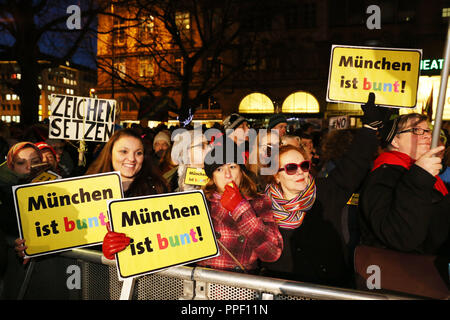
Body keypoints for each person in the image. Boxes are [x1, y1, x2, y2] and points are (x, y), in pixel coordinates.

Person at [262, 93, 391, 287]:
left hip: (327, 288)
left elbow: (352, 166)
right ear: (276, 175)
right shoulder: (261, 207)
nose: (300, 173)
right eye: (291, 168)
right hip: (281, 290)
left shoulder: (324, 192)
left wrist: (369, 128)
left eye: (303, 166)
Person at [358, 113, 450, 256]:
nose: (427, 136)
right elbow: (400, 235)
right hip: (405, 270)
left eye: (427, 131)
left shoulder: (428, 176)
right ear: (395, 140)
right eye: (416, 130)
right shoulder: (383, 175)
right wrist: (419, 178)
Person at [196, 137, 283, 273]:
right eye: (219, 169)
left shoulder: (259, 202)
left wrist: (240, 208)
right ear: (212, 177)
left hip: (241, 287)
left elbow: (272, 253)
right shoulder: (200, 203)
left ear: (241, 172)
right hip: (207, 285)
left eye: (232, 167)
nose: (228, 175)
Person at [85, 128, 168, 198]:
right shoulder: (88, 189)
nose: (132, 159)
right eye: (124, 151)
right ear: (110, 153)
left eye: (138, 153)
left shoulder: (157, 189)